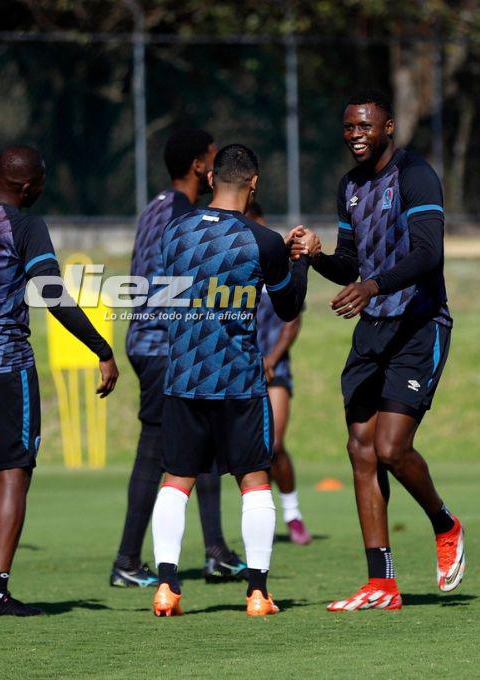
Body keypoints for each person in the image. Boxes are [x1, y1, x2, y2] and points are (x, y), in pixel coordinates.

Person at [0, 145, 119, 617]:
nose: (41, 189)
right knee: (13, 471)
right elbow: (52, 294)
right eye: (39, 182)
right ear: (26, 185)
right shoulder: (26, 225)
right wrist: (101, 348)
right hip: (4, 362)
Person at [308, 89, 464, 612]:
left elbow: (428, 252)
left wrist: (374, 286)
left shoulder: (416, 176)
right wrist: (315, 258)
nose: (355, 134)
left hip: (420, 325)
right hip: (373, 329)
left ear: (389, 128)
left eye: (365, 126)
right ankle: (382, 582)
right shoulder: (349, 186)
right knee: (360, 449)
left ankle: (444, 524)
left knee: (393, 448)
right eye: (349, 126)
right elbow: (349, 264)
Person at [150, 144, 309, 618]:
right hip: (239, 379)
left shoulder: (174, 231)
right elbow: (288, 308)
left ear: (213, 177)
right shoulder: (262, 241)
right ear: (254, 183)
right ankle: (258, 592)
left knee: (175, 480)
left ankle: (166, 586)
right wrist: (299, 259)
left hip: (183, 375)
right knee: (254, 481)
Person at [112, 129, 246, 588]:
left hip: (148, 338)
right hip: (163, 343)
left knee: (200, 444)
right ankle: (127, 560)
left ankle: (217, 552)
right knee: (155, 451)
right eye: (212, 160)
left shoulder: (156, 206)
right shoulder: (186, 215)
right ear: (199, 167)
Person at [245, 202, 312, 545]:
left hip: (275, 368)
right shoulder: (237, 264)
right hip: (241, 370)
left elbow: (293, 320)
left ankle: (292, 513)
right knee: (252, 451)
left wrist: (271, 358)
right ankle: (262, 518)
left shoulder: (276, 262)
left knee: (275, 444)